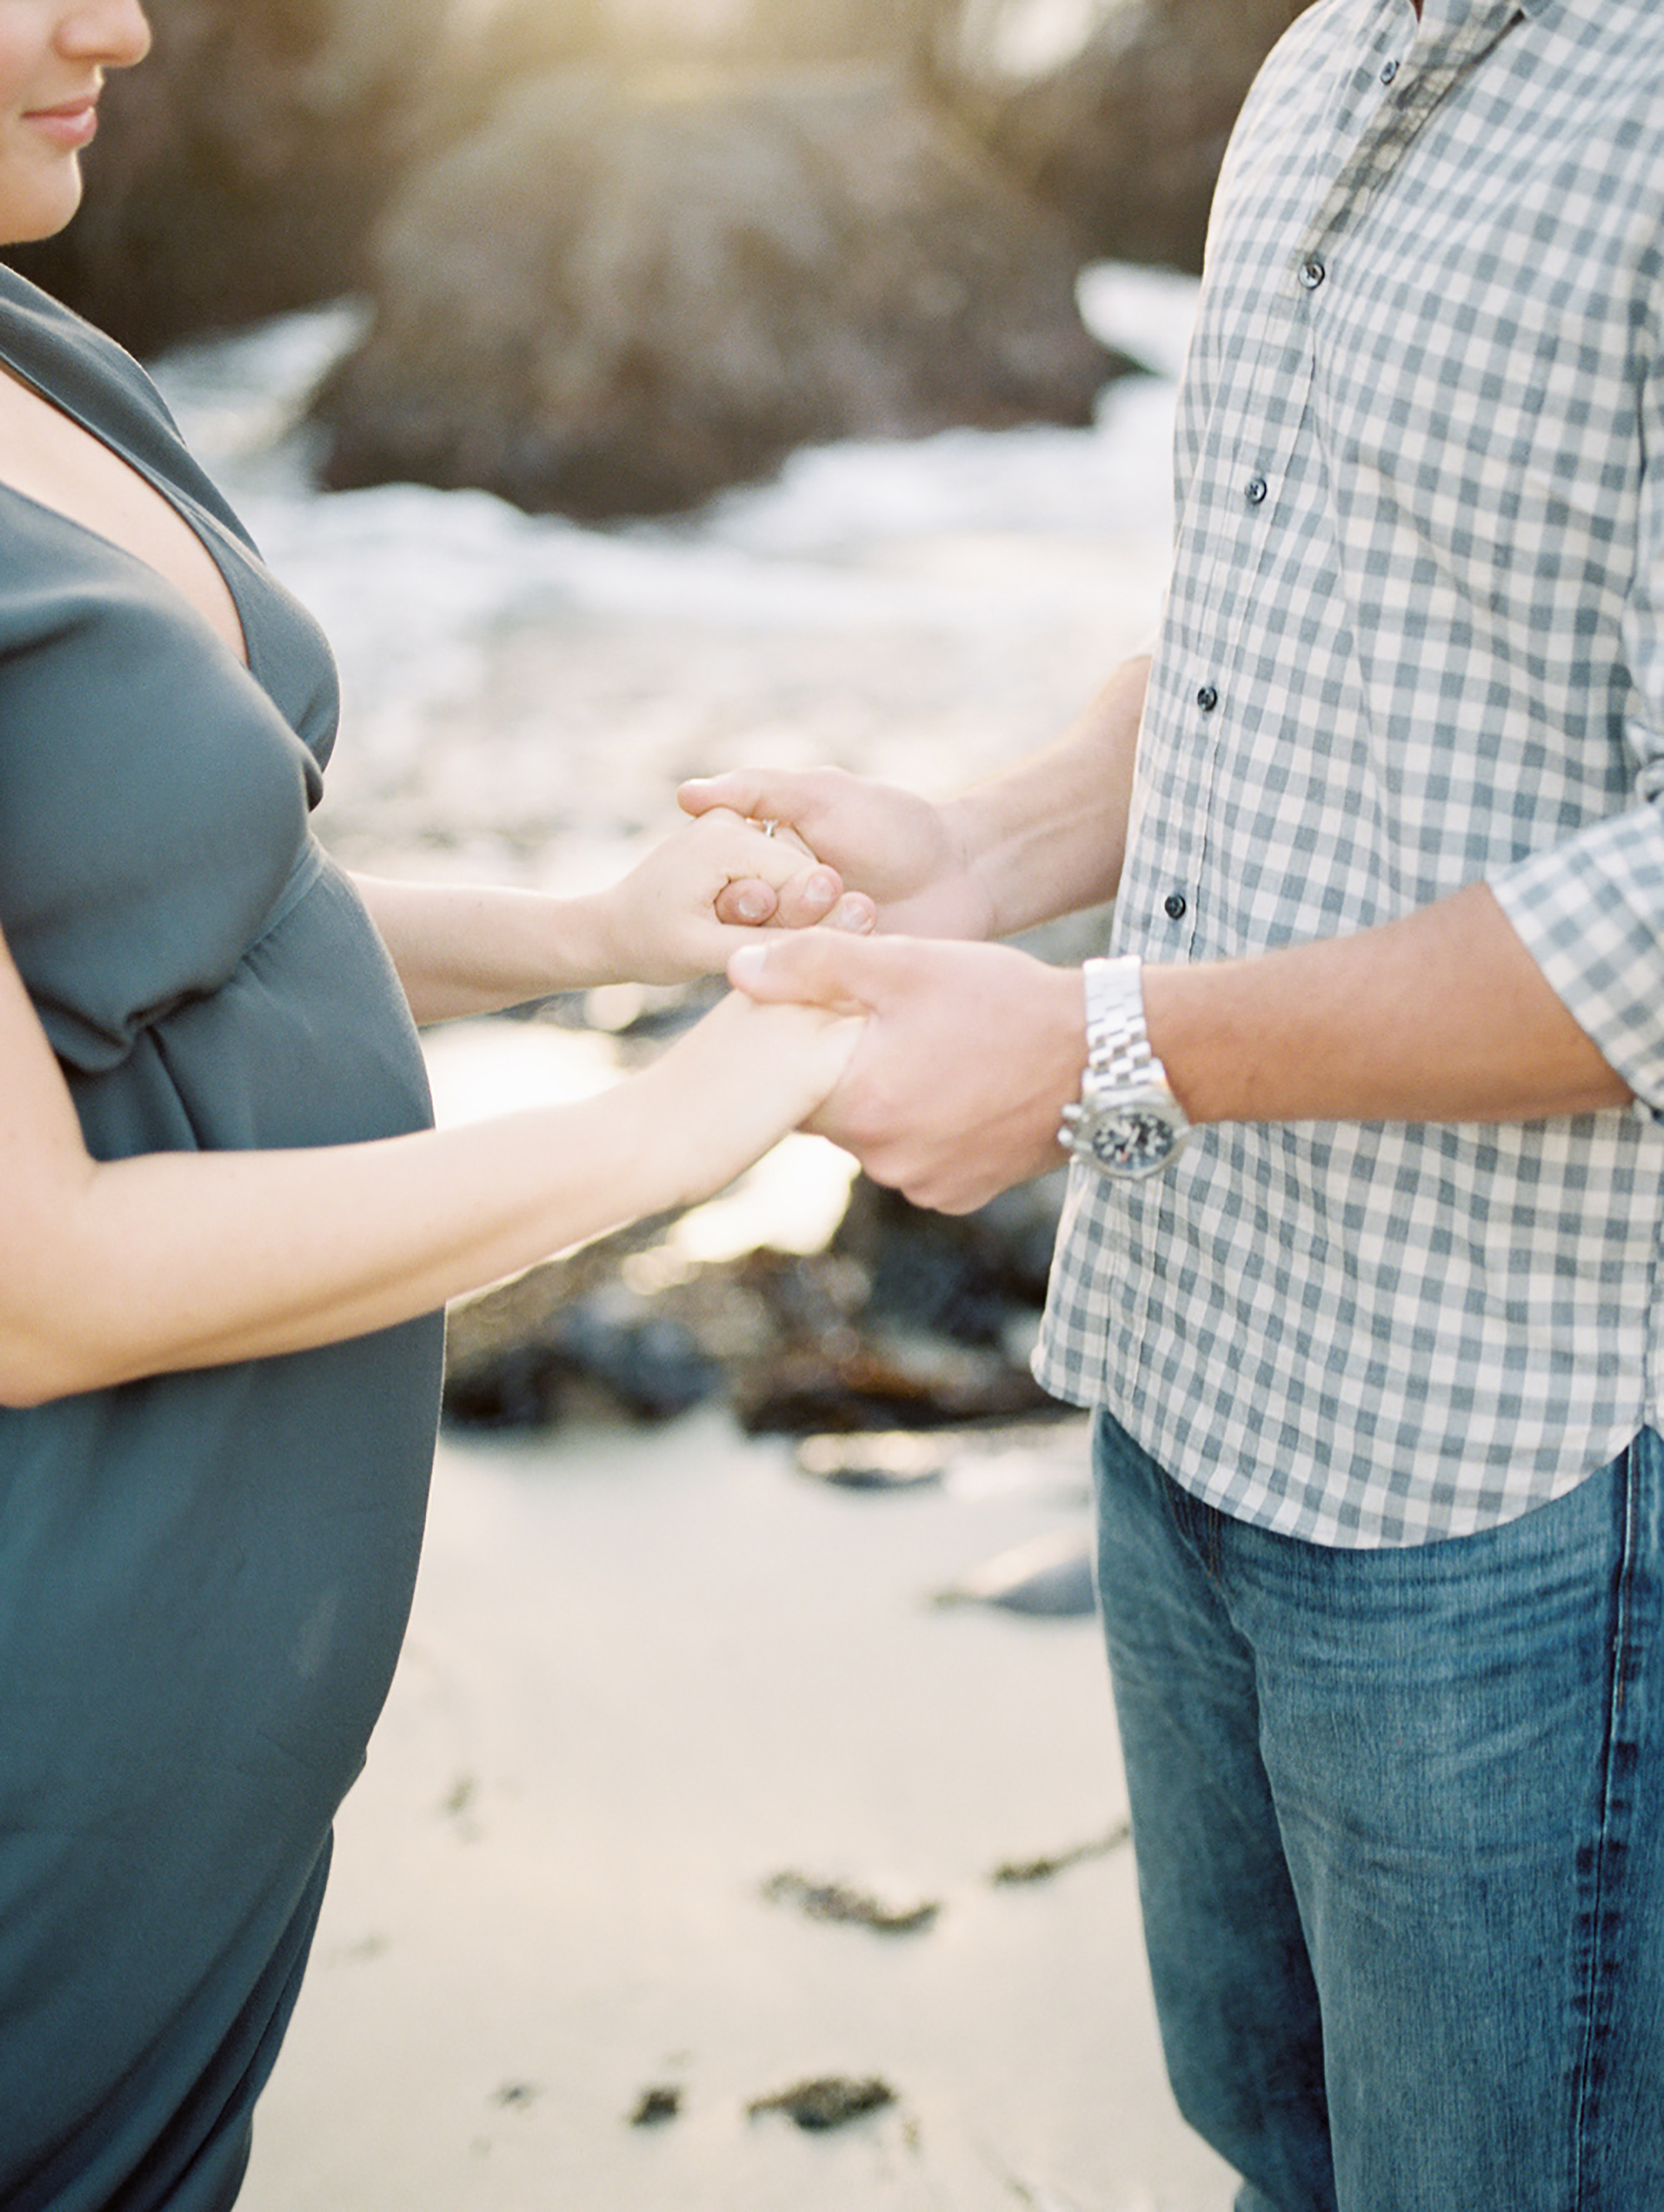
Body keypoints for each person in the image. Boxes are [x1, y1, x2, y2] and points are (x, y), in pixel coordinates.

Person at [684, 1, 1664, 2205]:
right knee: (1275, 2154)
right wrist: (988, 850)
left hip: (1523, 1474)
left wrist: (1106, 1050)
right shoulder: (1325, 55)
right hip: (1197, 1370)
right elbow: (1304, 624)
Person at [0, 4, 870, 2205]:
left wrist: (594, 934)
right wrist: (677, 1135)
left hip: (205, 1735)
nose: (127, 20)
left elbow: (169, 926)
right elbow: (35, 1284)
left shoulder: (30, 340)